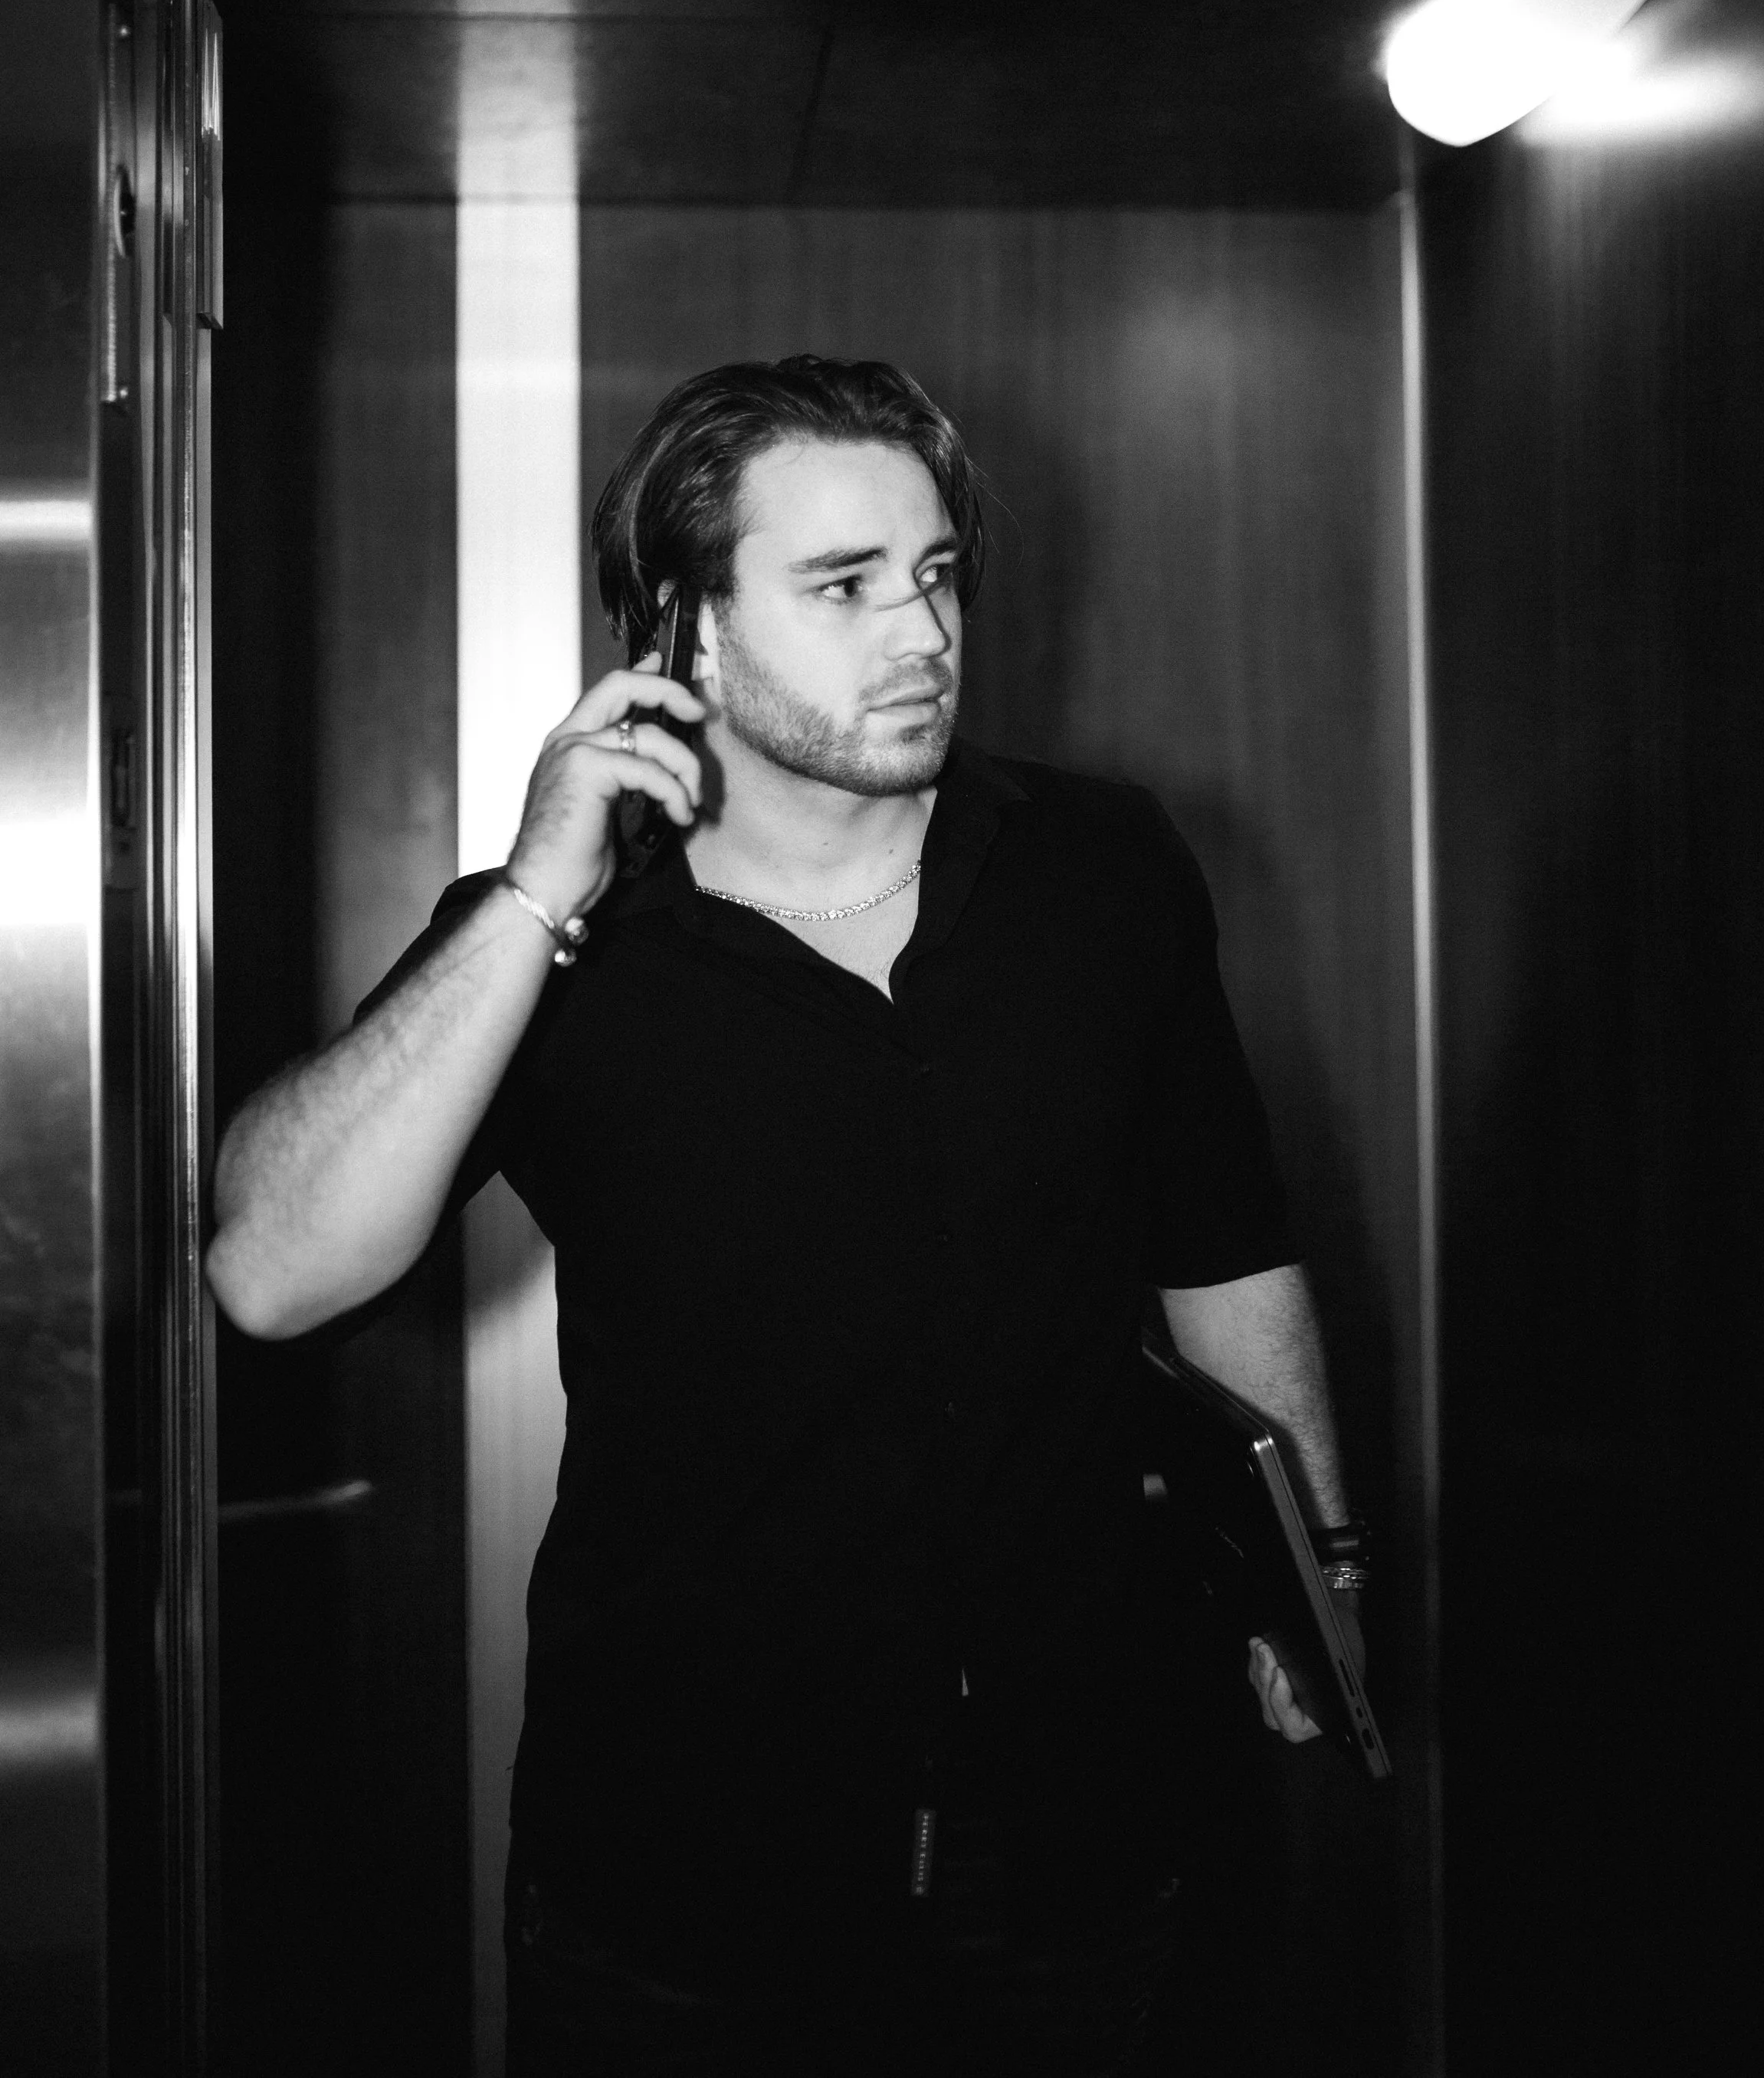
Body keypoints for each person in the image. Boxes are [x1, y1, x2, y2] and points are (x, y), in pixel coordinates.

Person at [208, 355, 1362, 2076]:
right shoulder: (555, 943)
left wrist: (1309, 1571)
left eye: (936, 572)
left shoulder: (1101, 869)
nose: (921, 631)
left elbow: (1222, 1240)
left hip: (1073, 1828)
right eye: (841, 585)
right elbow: (273, 1274)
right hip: (682, 1865)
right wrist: (535, 895)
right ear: (687, 625)